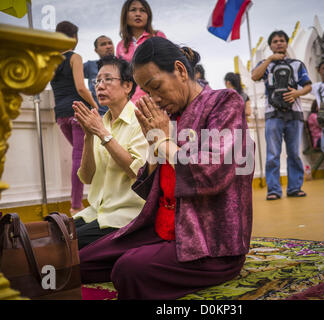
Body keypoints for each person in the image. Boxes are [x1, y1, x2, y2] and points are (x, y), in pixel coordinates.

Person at [79, 37, 254, 300]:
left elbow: (211, 174)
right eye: (148, 92)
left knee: (128, 269)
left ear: (181, 71)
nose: (155, 98)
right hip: (161, 228)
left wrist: (162, 139)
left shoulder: (224, 102)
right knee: (83, 262)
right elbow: (148, 185)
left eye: (156, 87)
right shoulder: (168, 117)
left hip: (210, 242)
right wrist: (154, 143)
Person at [72, 56, 149, 250]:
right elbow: (87, 177)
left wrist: (102, 134)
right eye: (97, 81)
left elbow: (138, 172)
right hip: (96, 212)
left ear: (127, 86)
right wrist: (89, 136)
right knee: (52, 231)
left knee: (67, 245)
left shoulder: (140, 121)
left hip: (125, 216)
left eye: (108, 79)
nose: (100, 86)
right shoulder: (101, 123)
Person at [251, 30, 312, 200]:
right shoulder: (266, 64)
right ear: (270, 46)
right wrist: (270, 59)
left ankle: (294, 188)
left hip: (294, 114)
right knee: (272, 154)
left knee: (294, 153)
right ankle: (274, 190)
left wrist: (296, 94)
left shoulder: (297, 64)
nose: (279, 43)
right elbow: (254, 76)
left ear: (287, 43)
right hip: (273, 114)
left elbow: (308, 86)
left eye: (282, 40)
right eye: (275, 41)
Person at [50, 21, 99, 215]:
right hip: (78, 111)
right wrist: (95, 106)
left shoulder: (51, 60)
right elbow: (80, 87)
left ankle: (92, 195)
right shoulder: (75, 57)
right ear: (75, 38)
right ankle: (76, 204)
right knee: (81, 157)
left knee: (83, 156)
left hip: (61, 116)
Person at [116, 0, 166, 103]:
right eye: (133, 10)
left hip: (158, 98)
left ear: (148, 15)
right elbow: (121, 77)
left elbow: (167, 66)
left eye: (142, 10)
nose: (138, 14)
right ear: (125, 15)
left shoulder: (157, 36)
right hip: (131, 102)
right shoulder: (120, 46)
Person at [84, 35, 115, 116]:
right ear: (96, 50)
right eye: (103, 44)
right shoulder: (90, 66)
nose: (108, 46)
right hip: (99, 115)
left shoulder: (123, 66)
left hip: (121, 114)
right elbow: (68, 72)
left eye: (110, 43)